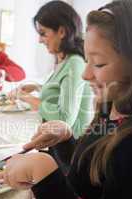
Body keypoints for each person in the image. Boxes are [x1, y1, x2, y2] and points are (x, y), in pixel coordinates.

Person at [0, 0, 132, 199]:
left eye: (99, 64)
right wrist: (66, 140)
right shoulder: (109, 109)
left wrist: (45, 173)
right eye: (87, 60)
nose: (85, 75)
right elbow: (87, 178)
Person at [9, 1, 93, 138]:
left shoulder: (75, 63)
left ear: (61, 31)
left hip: (71, 148)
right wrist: (37, 87)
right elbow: (61, 93)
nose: (39, 40)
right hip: (56, 140)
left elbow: (64, 119)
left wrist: (25, 97)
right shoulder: (65, 60)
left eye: (43, 33)